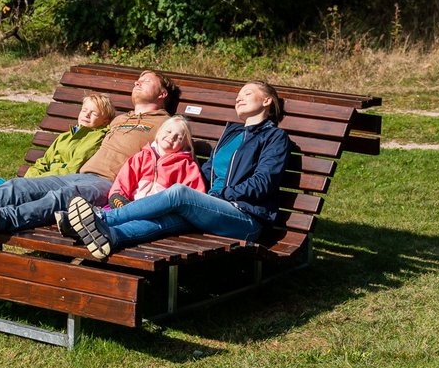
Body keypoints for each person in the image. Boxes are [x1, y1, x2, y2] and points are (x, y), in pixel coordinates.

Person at [0, 69, 177, 239]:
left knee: (59, 199)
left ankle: (0, 219)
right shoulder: (118, 119)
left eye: (145, 80)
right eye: (137, 79)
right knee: (19, 186)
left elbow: (177, 161)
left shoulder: (167, 124)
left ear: (162, 94)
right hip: (80, 174)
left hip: (110, 186)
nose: (137, 82)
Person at [65, 80, 290, 261]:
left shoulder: (275, 137)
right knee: (166, 218)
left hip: (246, 217)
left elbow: (263, 182)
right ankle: (111, 235)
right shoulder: (231, 134)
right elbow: (207, 172)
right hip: (214, 208)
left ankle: (101, 216)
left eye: (247, 93)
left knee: (179, 193)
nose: (239, 98)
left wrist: (219, 195)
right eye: (238, 95)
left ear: (266, 101)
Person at [0, 93, 115, 201]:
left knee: (5, 187)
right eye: (84, 110)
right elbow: (44, 161)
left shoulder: (96, 138)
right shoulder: (66, 136)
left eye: (93, 113)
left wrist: (36, 177)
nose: (86, 115)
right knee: (2, 184)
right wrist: (33, 173)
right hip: (37, 179)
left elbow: (72, 169)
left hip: (56, 185)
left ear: (105, 121)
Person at [105, 116, 208, 207]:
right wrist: (118, 195)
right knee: (111, 214)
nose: (172, 137)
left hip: (162, 209)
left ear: (183, 146)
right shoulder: (142, 157)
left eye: (179, 138)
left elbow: (195, 193)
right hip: (133, 203)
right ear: (159, 133)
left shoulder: (185, 165)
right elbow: (125, 178)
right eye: (168, 131)